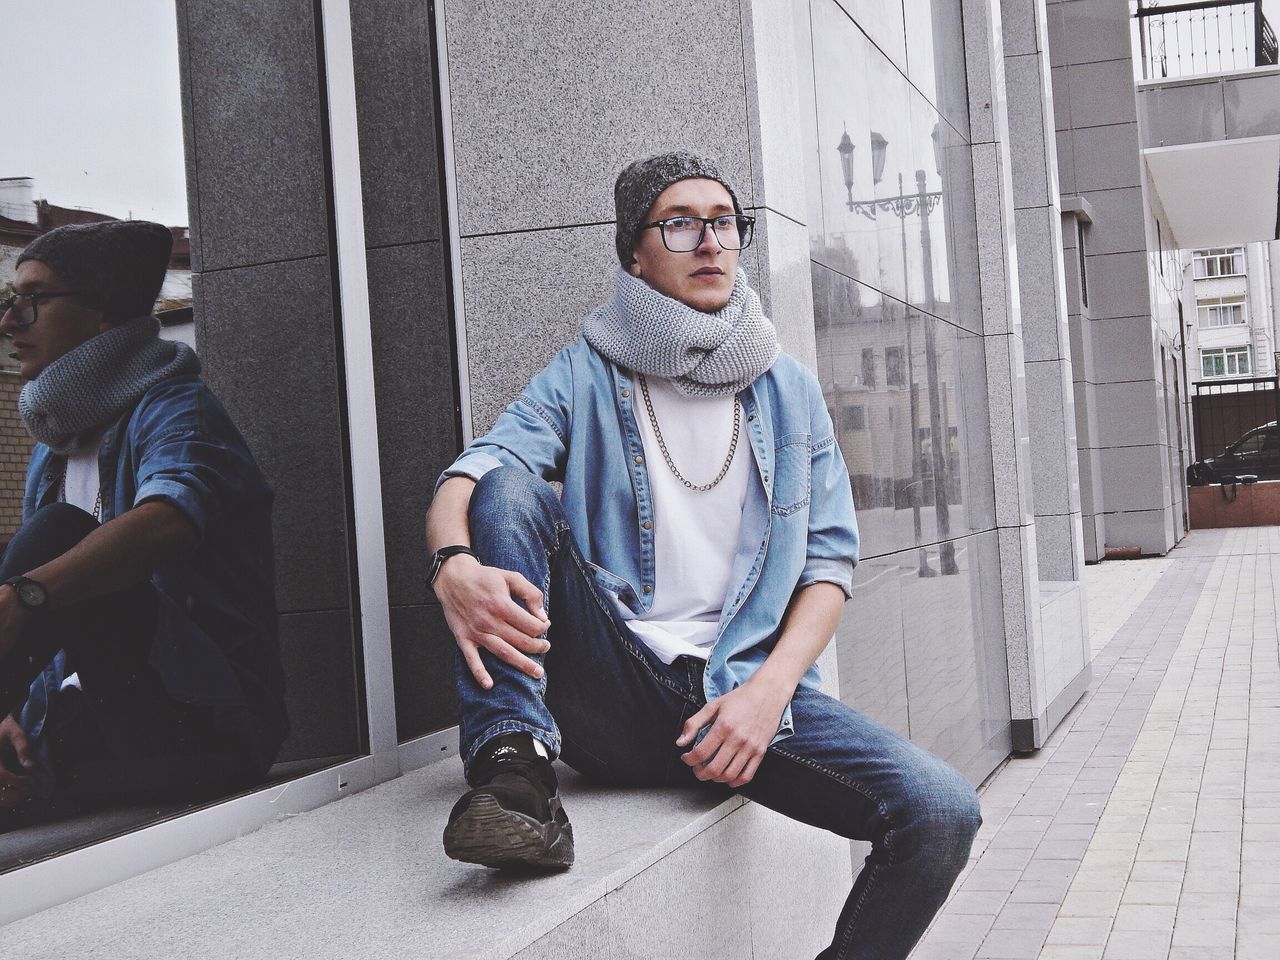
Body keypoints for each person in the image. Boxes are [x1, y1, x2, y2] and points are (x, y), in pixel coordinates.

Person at [425, 152, 980, 959]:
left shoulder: (788, 388)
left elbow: (828, 568)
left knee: (941, 811)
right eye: (680, 224)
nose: (711, 242)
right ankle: (516, 775)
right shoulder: (586, 372)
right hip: (616, 685)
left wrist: (767, 693)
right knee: (509, 491)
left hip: (739, 694)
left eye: (724, 222)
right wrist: (450, 562)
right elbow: (472, 474)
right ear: (635, 253)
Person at [0, 221, 287, 822]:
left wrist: (29, 595)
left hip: (204, 732)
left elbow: (169, 520)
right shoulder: (54, 453)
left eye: (33, 300)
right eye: (9, 302)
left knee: (54, 539)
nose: (10, 321)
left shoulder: (178, 411)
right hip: (93, 739)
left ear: (102, 314)